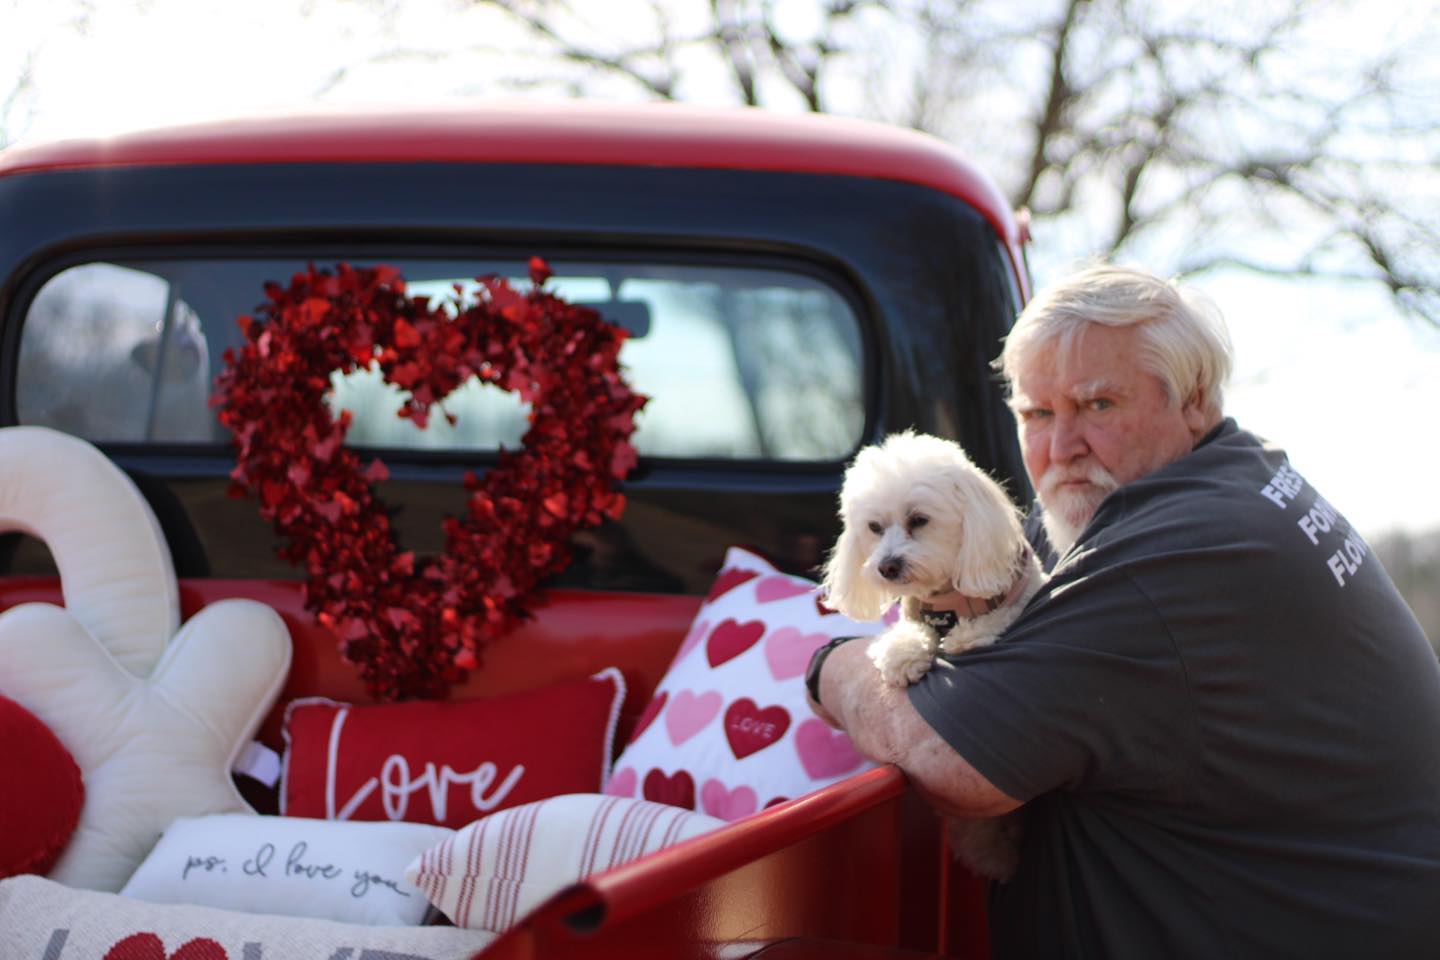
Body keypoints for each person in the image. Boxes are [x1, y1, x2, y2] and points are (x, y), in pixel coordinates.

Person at [806, 264, 1440, 958]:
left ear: (1193, 399)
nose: (1060, 449)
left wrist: (827, 666)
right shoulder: (1240, 483)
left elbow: (952, 763)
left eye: (1099, 406)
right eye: (1037, 415)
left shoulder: (1186, 550)